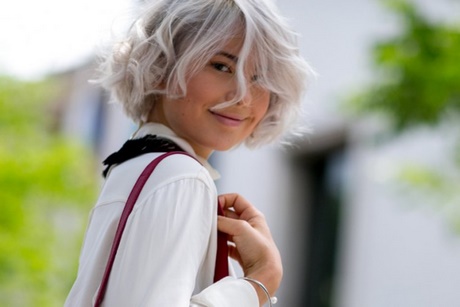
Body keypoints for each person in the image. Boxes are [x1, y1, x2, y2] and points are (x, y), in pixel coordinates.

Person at [65, 0, 312, 306]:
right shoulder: (182, 176)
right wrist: (259, 282)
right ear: (160, 67)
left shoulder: (134, 166)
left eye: (259, 77)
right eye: (222, 66)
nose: (243, 96)